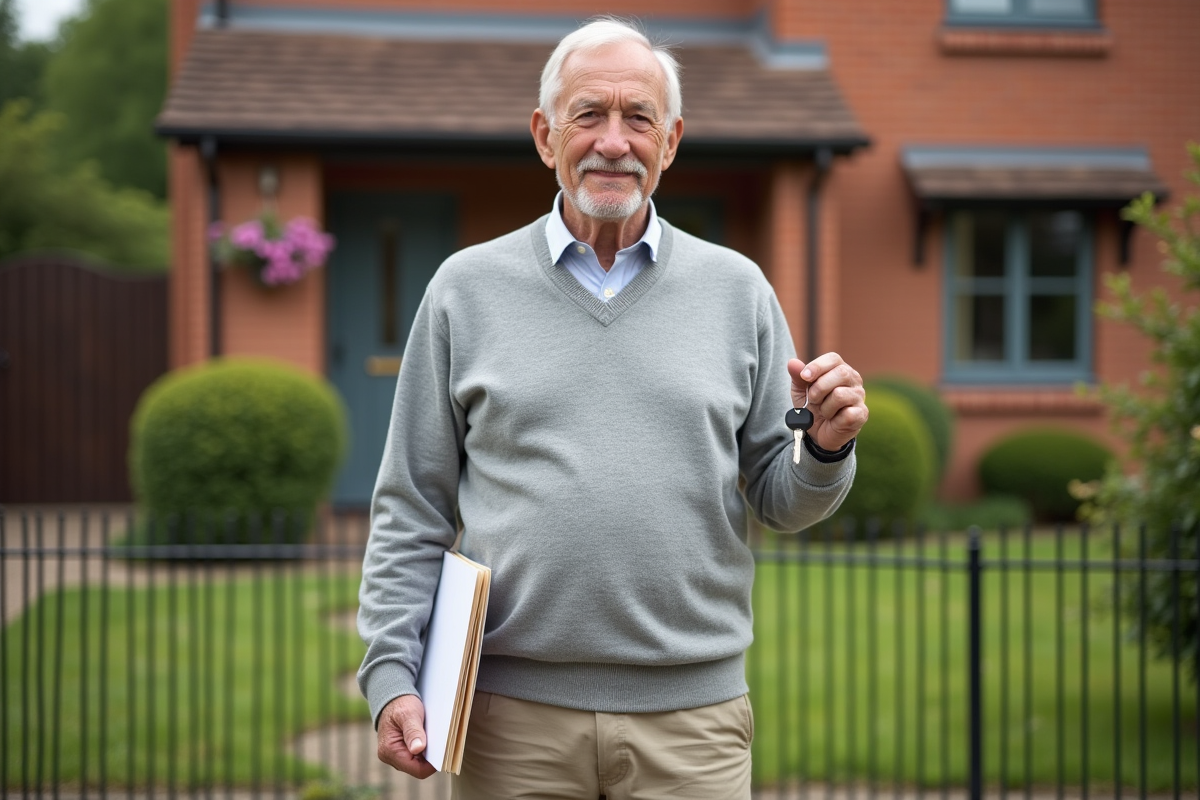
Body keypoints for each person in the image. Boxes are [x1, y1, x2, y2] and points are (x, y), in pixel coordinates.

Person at [357, 17, 869, 799]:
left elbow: (780, 497)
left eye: (639, 118)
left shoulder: (739, 291)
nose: (613, 141)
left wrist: (824, 452)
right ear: (543, 134)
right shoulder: (465, 289)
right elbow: (411, 506)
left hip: (692, 723)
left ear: (670, 143)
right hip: (508, 722)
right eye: (588, 113)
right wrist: (392, 671)